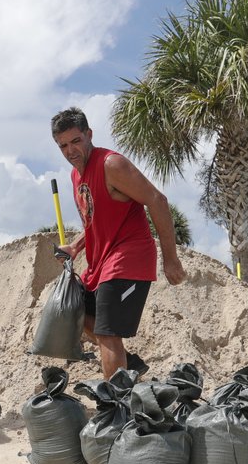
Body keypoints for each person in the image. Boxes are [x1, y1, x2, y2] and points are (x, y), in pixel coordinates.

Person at [51, 107, 185, 380]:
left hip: (128, 258)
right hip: (101, 261)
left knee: (106, 333)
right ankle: (127, 367)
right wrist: (75, 247)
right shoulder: (76, 176)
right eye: (63, 145)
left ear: (89, 135)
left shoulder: (110, 164)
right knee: (75, 311)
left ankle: (117, 410)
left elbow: (157, 200)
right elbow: (94, 220)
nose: (70, 151)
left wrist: (170, 259)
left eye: (76, 141)